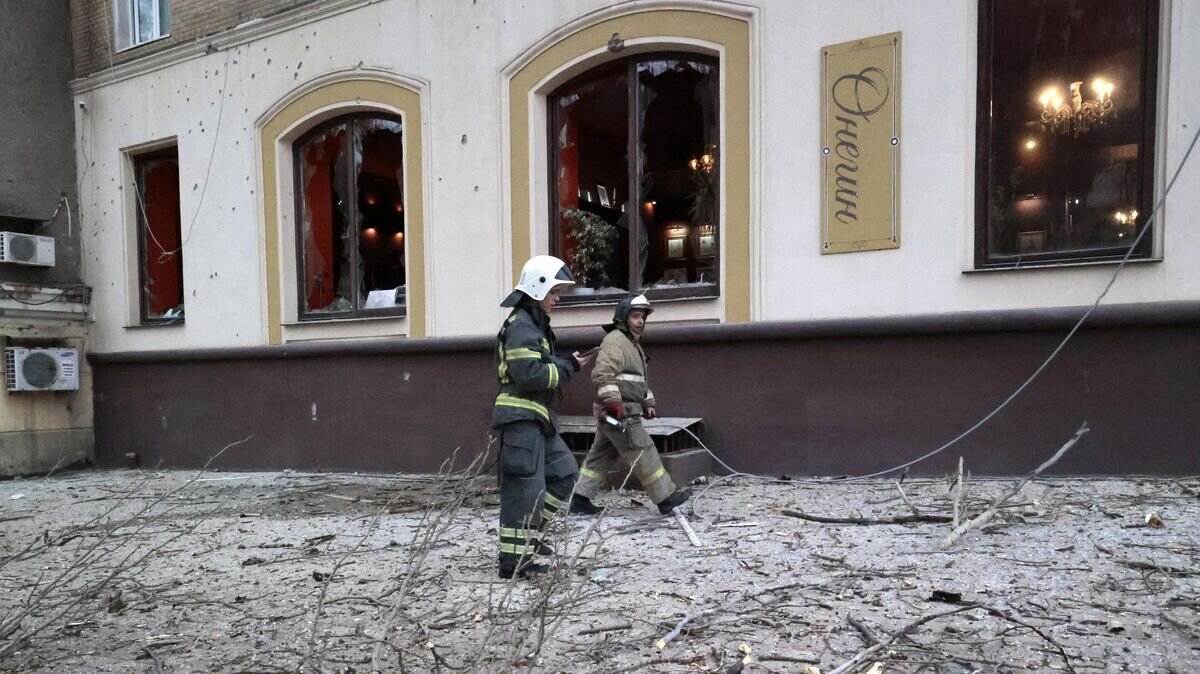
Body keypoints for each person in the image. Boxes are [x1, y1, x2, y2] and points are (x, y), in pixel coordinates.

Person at [492, 255, 596, 579]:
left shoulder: (534, 325)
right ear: (537, 289)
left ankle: (531, 538)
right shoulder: (522, 325)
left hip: (538, 419)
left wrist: (567, 363)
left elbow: (541, 364)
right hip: (521, 419)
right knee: (524, 489)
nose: (557, 298)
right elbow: (529, 375)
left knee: (565, 473)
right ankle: (512, 563)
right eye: (554, 292)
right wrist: (569, 367)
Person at [571, 292, 690, 516]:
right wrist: (614, 402)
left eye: (643, 317)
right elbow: (604, 374)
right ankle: (665, 498)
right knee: (643, 450)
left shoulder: (632, 345)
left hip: (621, 410)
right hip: (618, 412)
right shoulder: (615, 340)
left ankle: (579, 498)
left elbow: (637, 380)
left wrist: (648, 402)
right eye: (636, 316)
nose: (641, 321)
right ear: (623, 317)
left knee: (601, 456)